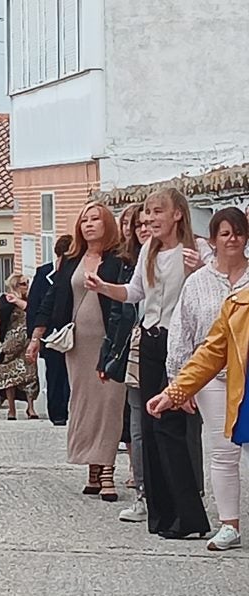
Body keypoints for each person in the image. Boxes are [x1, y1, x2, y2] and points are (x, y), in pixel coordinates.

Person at [85, 187, 212, 539]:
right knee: (153, 430)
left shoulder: (196, 251)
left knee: (173, 430)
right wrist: (104, 287)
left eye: (157, 212)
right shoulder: (149, 253)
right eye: (147, 215)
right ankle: (161, 514)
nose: (150, 220)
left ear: (176, 214)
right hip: (151, 342)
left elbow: (215, 289)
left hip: (181, 345)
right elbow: (135, 293)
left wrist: (200, 269)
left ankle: (189, 518)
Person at [161, 208, 249, 550]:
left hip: (247, 376)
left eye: (239, 232)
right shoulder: (197, 282)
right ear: (212, 240)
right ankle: (229, 524)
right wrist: (180, 384)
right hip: (213, 377)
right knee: (222, 451)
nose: (232, 239)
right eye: (225, 233)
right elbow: (185, 333)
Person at [28, 202, 128, 502]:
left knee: (110, 403)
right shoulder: (72, 260)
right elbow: (51, 298)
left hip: (109, 342)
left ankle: (108, 468)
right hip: (78, 345)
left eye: (96, 219)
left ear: (107, 224)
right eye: (84, 220)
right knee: (84, 404)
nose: (89, 224)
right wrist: (36, 336)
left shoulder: (119, 260)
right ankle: (93, 465)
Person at [112, 204, 151, 522]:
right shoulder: (127, 264)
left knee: (175, 426)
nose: (142, 228)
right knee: (137, 424)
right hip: (138, 347)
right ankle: (142, 492)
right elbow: (123, 305)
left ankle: (185, 492)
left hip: (170, 346)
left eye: (148, 222)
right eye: (137, 223)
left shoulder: (181, 258)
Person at [26, 234, 74, 426]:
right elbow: (35, 305)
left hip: (72, 331)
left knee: (72, 374)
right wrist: (35, 337)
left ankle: (72, 410)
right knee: (54, 373)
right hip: (51, 335)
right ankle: (58, 413)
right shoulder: (43, 273)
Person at [0, 274, 39, 420]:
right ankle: (11, 409)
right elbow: (2, 315)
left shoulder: (30, 299)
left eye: (27, 283)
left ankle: (31, 407)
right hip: (10, 341)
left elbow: (34, 311)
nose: (26, 286)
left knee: (30, 374)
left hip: (27, 339)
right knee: (9, 375)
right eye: (23, 283)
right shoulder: (5, 299)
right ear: (16, 285)